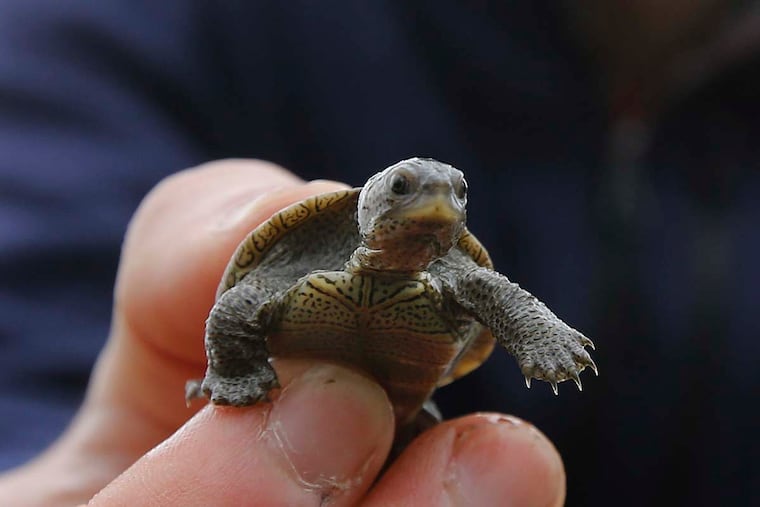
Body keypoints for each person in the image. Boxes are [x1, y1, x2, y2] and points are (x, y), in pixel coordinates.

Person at [0, 2, 758, 505]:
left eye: (451, 193)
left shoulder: (454, 273)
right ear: (370, 201)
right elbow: (225, 307)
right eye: (406, 188)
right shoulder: (149, 31)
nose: (434, 202)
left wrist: (540, 334)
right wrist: (230, 375)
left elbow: (501, 299)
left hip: (417, 417)